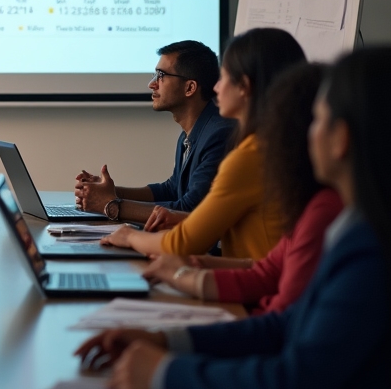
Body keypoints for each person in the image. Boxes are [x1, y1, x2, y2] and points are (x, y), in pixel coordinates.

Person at [75, 45, 391, 389]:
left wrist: (163, 372)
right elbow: (283, 326)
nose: (303, 132)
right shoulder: (356, 224)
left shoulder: (369, 248)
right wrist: (167, 341)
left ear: (341, 139)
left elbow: (292, 380)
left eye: (317, 119)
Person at [142, 62, 343, 313]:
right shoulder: (320, 204)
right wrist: (191, 267)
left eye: (319, 121)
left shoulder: (255, 156)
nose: (215, 87)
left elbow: (281, 319)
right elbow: (266, 270)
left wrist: (124, 226)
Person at [101, 28, 305, 260]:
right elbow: (206, 212)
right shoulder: (272, 145)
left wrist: (126, 231)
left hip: (257, 282)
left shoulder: (245, 154)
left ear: (244, 87)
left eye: (224, 77)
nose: (216, 88)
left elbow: (186, 239)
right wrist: (113, 195)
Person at [75, 40, 236, 224]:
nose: (152, 84)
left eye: (161, 75)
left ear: (190, 88)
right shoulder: (191, 132)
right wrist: (109, 193)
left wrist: (110, 205)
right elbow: (172, 190)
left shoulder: (219, 135)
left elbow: (190, 211)